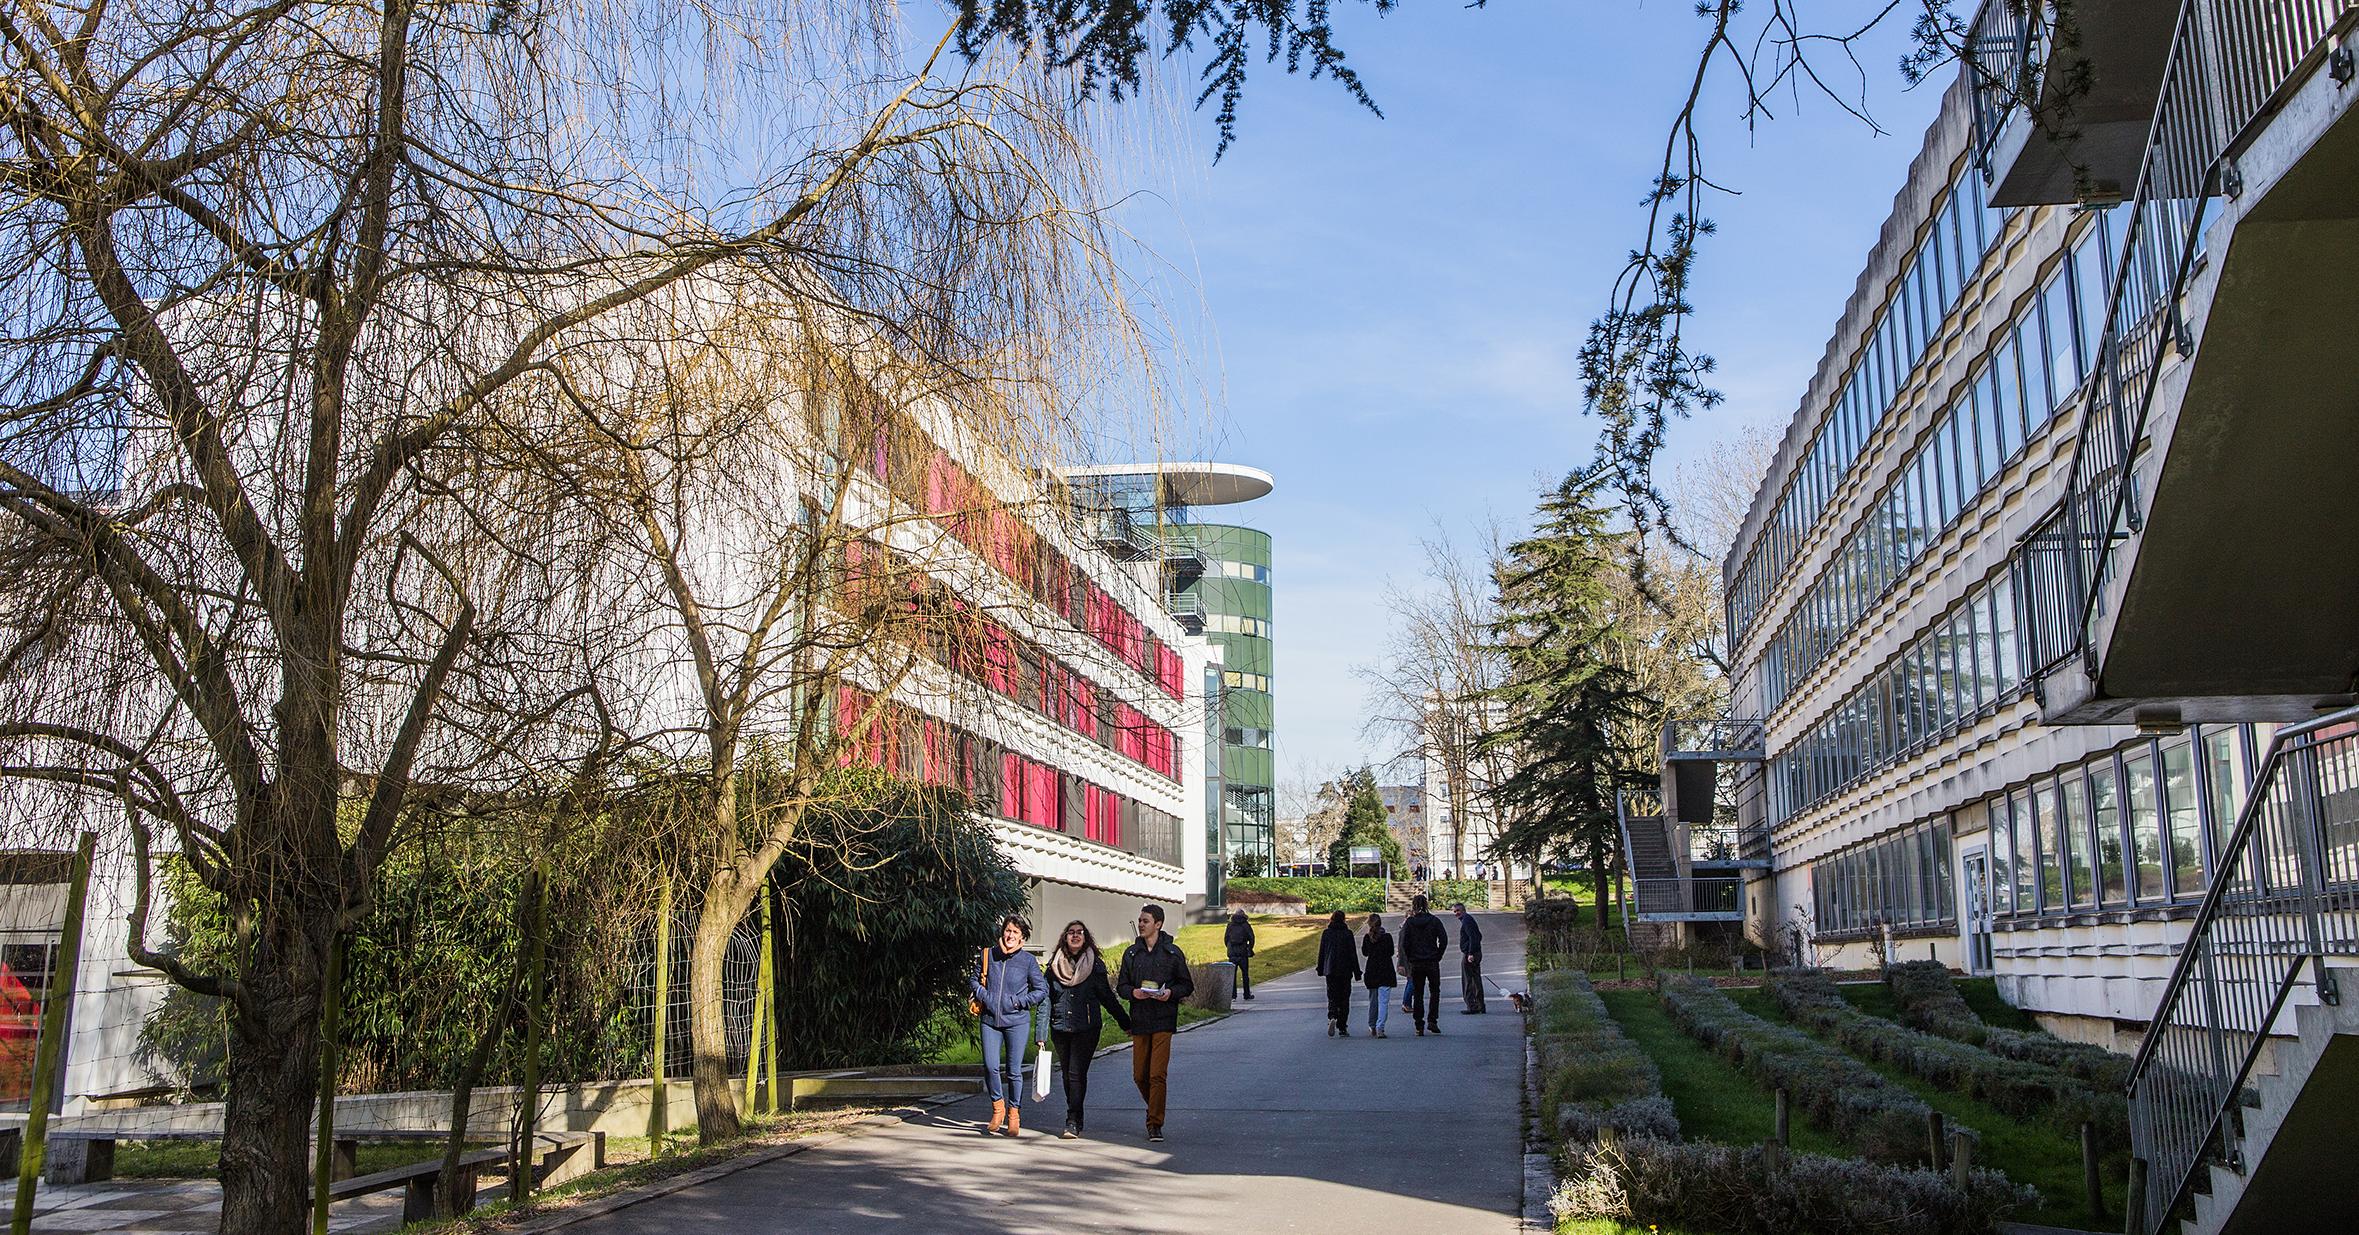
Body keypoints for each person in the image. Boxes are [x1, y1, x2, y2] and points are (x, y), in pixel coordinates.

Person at [1044, 919, 1132, 1139]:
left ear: (1086, 938)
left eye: (1079, 932)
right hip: (1060, 1027)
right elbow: (1045, 999)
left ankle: (1073, 1119)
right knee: (1066, 1075)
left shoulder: (1095, 966)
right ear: (1064, 937)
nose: (1075, 935)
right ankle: (1075, 1115)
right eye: (1071, 932)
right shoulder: (1053, 967)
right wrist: (1040, 1032)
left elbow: (1107, 998)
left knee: (1076, 1073)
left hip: (1087, 1028)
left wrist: (1125, 1023)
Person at [1116, 903, 1192, 1142]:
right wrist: (1133, 993)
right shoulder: (1131, 953)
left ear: (1158, 924)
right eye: (1139, 920)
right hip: (1140, 1019)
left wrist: (1170, 993)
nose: (1141, 924)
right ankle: (1155, 1107)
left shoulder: (1172, 952)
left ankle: (1154, 1123)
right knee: (1140, 1075)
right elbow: (1121, 986)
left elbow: (1186, 985)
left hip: (1163, 1019)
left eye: (1145, 921)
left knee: (1157, 1074)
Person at [970, 915, 1046, 1137]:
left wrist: (1018, 1002)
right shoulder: (988, 955)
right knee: (991, 1066)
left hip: (1017, 1022)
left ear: (1022, 937)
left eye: (1015, 932)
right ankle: (997, 1108)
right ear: (1002, 932)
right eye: (1008, 930)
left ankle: (1014, 1113)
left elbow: (1041, 990)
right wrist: (985, 995)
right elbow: (974, 980)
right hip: (990, 1020)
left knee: (1014, 1071)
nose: (1010, 935)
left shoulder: (1028, 961)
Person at [1399, 894, 1448, 1036]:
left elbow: (1404, 943)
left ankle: (1419, 1024)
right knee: (1435, 991)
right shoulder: (1434, 921)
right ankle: (1433, 1020)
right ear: (1426, 904)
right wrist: (1438, 954)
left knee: (1418, 993)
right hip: (1432, 960)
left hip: (1416, 962)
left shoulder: (1409, 923)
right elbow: (1443, 940)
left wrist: (1409, 957)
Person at [1314, 909, 1359, 1038]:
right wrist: (1356, 972)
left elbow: (1322, 952)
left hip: (1331, 969)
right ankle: (1342, 1026)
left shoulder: (1327, 933)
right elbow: (1352, 954)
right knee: (1344, 998)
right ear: (1344, 919)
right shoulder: (1348, 934)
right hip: (1345, 970)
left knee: (1332, 995)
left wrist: (1320, 968)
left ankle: (1332, 1015)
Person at [1360, 912, 1398, 1038]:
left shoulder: (1367, 938)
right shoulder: (1387, 937)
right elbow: (1391, 952)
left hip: (1372, 971)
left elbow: (1365, 953)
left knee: (1373, 1001)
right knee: (1383, 1002)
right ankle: (1380, 1026)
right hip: (1386, 971)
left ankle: (1372, 1025)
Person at [1452, 901, 1486, 1014]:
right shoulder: (1468, 920)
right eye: (1454, 911)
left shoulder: (1467, 921)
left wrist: (1470, 953)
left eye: (1458, 911)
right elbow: (1478, 935)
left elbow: (1473, 937)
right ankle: (1480, 1006)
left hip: (1470, 954)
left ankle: (1472, 1006)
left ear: (1463, 910)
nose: (1456, 913)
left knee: (1468, 981)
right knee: (1475, 980)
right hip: (1474, 952)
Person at [1224, 909, 1257, 1001]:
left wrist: (1229, 948)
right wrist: (1249, 948)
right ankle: (1246, 994)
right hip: (1242, 952)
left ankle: (1233, 996)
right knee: (1245, 974)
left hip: (1232, 953)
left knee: (1232, 975)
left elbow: (1226, 938)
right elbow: (1252, 938)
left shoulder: (1230, 925)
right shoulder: (1245, 925)